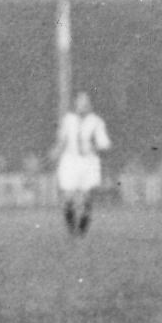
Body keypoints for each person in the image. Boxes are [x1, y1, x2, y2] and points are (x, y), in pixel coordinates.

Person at [49, 92, 111, 236]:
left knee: (85, 196)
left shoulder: (96, 122)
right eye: (79, 102)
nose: (82, 105)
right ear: (75, 104)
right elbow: (62, 139)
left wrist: (92, 147)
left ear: (89, 105)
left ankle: (82, 227)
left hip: (89, 162)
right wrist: (55, 151)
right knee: (68, 196)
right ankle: (72, 230)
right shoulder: (68, 120)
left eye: (85, 102)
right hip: (70, 160)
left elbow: (104, 144)